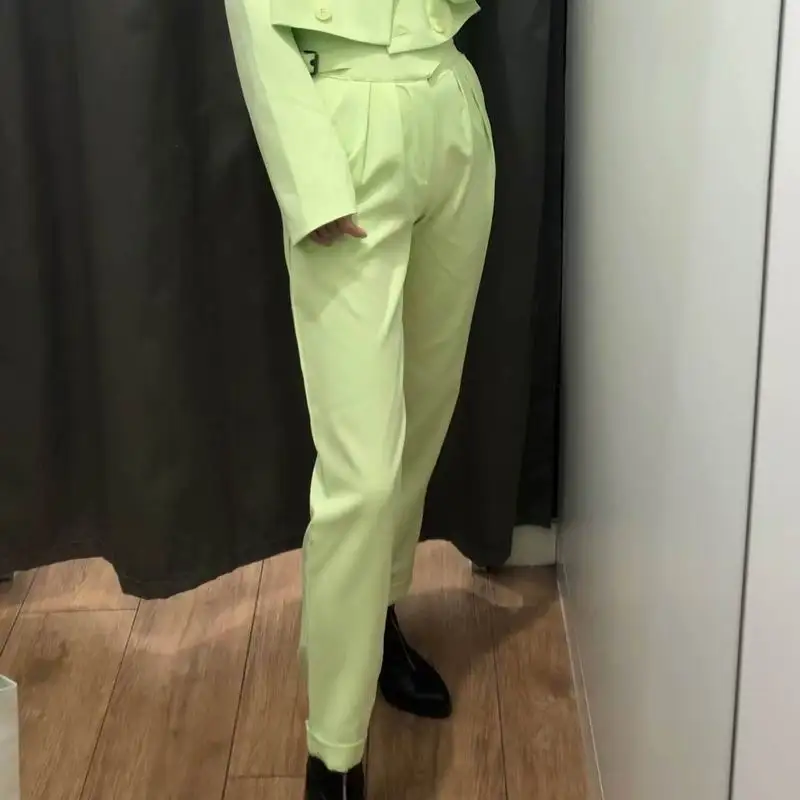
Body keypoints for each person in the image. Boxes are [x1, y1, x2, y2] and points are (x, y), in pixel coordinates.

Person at [224, 0, 495, 796]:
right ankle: (334, 750)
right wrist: (309, 178)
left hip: (450, 103)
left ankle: (377, 619)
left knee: (424, 414)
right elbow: (252, 17)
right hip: (342, 122)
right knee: (362, 473)